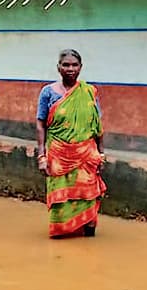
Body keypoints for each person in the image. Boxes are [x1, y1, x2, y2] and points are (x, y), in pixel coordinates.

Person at [35, 49, 106, 239]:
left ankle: (88, 230)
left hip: (87, 154)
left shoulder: (89, 92)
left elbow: (97, 125)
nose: (70, 69)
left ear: (81, 68)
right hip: (58, 154)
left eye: (74, 65)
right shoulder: (47, 92)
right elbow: (41, 124)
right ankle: (61, 231)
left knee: (88, 194)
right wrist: (41, 156)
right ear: (58, 67)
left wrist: (101, 154)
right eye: (66, 65)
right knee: (61, 196)